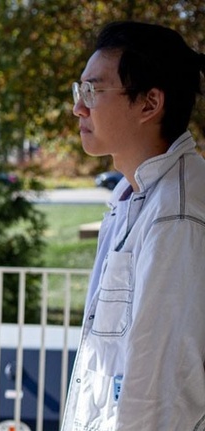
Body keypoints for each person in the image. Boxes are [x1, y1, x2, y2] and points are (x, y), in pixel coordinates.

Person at [62, 21, 205, 430]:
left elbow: (159, 394)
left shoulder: (176, 214)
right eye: (79, 90)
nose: (78, 107)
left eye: (93, 90)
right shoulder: (134, 196)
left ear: (149, 104)